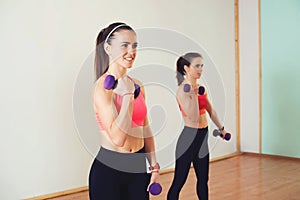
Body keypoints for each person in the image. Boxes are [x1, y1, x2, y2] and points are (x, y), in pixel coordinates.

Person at [89, 22, 159, 200]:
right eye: (125, 45)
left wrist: (153, 165)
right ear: (108, 48)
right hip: (109, 171)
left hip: (137, 166)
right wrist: (128, 95)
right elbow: (118, 138)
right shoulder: (102, 89)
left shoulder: (138, 85)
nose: (131, 51)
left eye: (134, 45)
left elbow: (145, 129)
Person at [167, 52, 228, 200]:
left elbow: (210, 110)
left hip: (202, 138)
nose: (200, 69)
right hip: (188, 139)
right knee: (179, 181)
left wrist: (221, 128)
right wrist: (193, 95)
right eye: (197, 66)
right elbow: (193, 117)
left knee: (203, 179)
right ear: (187, 68)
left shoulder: (201, 88)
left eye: (201, 66)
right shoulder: (182, 91)